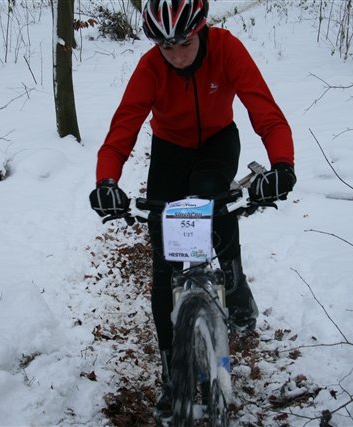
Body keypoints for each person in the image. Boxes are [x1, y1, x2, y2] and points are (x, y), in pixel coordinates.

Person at [89, 0, 296, 419]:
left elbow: (266, 112)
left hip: (218, 142)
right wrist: (106, 182)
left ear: (200, 29)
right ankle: (172, 374)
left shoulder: (226, 49)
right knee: (164, 263)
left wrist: (282, 165)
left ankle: (233, 279)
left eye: (184, 43)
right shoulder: (150, 68)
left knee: (209, 196)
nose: (177, 55)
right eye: (166, 47)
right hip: (170, 150)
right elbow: (122, 129)